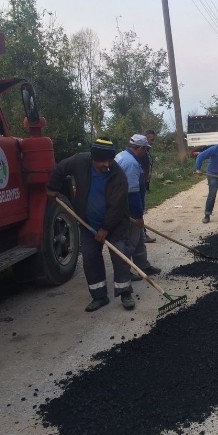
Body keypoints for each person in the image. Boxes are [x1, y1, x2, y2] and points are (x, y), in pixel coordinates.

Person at [47, 138, 137, 311]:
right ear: (93, 158)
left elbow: (117, 207)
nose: (106, 164)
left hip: (115, 223)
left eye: (109, 160)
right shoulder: (80, 161)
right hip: (88, 223)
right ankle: (99, 296)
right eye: (102, 161)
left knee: (120, 256)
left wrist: (105, 228)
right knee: (90, 258)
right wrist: (52, 187)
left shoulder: (118, 175)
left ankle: (125, 293)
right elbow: (60, 169)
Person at [115, 134, 162, 282]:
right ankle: (125, 272)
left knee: (139, 238)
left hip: (125, 206)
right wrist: (138, 216)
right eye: (145, 149)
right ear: (139, 148)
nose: (146, 152)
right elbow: (132, 194)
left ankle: (143, 265)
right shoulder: (131, 163)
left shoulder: (121, 155)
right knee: (130, 241)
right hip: (129, 209)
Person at [139, 130, 157, 243]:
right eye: (151, 140)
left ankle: (141, 234)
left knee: (140, 210)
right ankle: (142, 235)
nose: (153, 142)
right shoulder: (141, 153)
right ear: (145, 139)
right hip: (139, 185)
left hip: (143, 184)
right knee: (138, 210)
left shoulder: (146, 152)